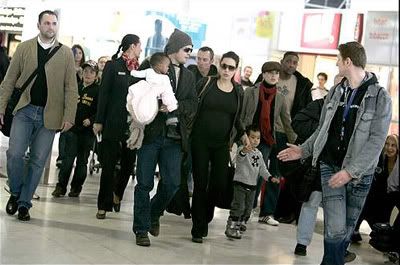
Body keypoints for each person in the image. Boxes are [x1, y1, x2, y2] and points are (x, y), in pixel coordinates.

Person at [278, 41, 392, 265]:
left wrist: (351, 172)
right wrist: (304, 150)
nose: (337, 63)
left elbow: (377, 141)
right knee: (334, 228)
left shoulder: (380, 97)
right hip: (330, 167)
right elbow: (323, 129)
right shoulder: (336, 92)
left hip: (360, 175)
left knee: (345, 232)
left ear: (348, 61)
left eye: (339, 59)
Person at [0, 10, 78, 221]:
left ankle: (24, 203)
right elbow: (9, 80)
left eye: (53, 23)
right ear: (38, 25)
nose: (50, 27)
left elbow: (71, 87)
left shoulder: (65, 53)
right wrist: (1, 106)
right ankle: (16, 192)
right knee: (15, 154)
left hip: (50, 115)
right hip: (24, 110)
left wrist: (69, 115)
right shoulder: (24, 48)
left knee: (37, 160)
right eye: (46, 23)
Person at [132, 28, 197, 247]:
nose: (189, 53)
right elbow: (134, 93)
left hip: (174, 139)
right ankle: (141, 229)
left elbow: (192, 104)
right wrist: (151, 104)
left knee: (172, 184)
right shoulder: (150, 67)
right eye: (187, 49)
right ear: (174, 49)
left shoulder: (188, 76)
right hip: (150, 134)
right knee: (144, 184)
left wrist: (173, 108)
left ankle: (153, 213)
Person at [190, 51, 250, 244]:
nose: (226, 70)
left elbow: (237, 119)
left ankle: (206, 215)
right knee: (200, 184)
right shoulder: (206, 83)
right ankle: (198, 228)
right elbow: (192, 106)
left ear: (236, 69)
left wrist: (243, 135)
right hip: (200, 141)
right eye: (224, 66)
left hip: (222, 144)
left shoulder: (238, 91)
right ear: (219, 65)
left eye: (231, 67)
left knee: (218, 184)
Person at [240, 61, 296, 226]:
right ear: (263, 74)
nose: (274, 76)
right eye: (270, 73)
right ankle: (248, 209)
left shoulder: (279, 96)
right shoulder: (251, 92)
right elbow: (242, 115)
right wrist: (240, 137)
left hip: (269, 139)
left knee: (271, 175)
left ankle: (265, 213)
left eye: (276, 73)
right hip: (251, 139)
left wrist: (296, 142)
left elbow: (286, 120)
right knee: (254, 175)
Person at [93, 34, 142, 219]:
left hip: (132, 125)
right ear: (131, 46)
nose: (141, 49)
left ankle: (117, 194)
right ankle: (102, 204)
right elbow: (104, 94)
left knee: (129, 165)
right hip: (113, 122)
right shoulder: (113, 66)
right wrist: (99, 120)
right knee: (108, 165)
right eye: (139, 45)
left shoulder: (141, 69)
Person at [273, 51, 313, 224]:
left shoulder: (302, 84)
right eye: (288, 61)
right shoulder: (271, 76)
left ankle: (279, 210)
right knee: (261, 169)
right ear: (282, 62)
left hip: (288, 133)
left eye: (295, 62)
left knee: (284, 172)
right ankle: (258, 207)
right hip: (267, 131)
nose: (291, 64)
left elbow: (307, 109)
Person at [52, 60, 99, 197]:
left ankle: (76, 187)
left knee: (82, 162)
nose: (88, 74)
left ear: (96, 75)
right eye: (85, 71)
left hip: (87, 132)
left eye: (91, 72)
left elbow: (101, 110)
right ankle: (61, 187)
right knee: (67, 160)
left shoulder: (98, 91)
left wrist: (91, 120)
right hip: (72, 130)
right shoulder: (76, 87)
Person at [225, 125, 273, 239]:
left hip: (252, 186)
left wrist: (270, 178)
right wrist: (244, 151)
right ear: (247, 137)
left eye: (258, 138)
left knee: (248, 209)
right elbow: (240, 157)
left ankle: (241, 223)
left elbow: (263, 169)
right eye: (252, 137)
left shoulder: (259, 154)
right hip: (240, 184)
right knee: (238, 206)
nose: (255, 140)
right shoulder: (242, 149)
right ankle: (231, 227)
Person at [352, 134, 399, 243]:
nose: (389, 148)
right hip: (374, 203)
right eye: (387, 144)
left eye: (393, 145)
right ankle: (354, 229)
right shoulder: (379, 160)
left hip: (387, 207)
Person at [126, 52, 178, 149]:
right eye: (167, 66)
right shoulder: (156, 75)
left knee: (165, 94)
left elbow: (137, 73)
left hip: (153, 94)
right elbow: (138, 74)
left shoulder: (158, 75)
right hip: (149, 93)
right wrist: (171, 106)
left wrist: (132, 71)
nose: (168, 69)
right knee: (140, 93)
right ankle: (135, 122)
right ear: (159, 66)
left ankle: (136, 124)